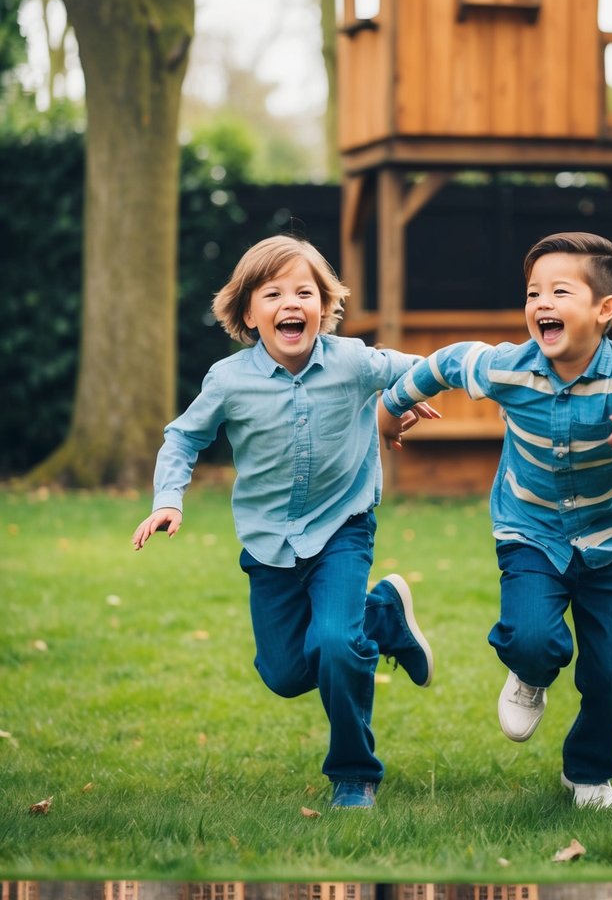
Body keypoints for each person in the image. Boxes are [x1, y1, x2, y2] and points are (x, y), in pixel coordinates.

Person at [381, 231, 612, 810]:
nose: (541, 302)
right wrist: (391, 412)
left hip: (609, 543)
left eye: (559, 291)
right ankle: (530, 673)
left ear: (603, 309)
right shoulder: (509, 367)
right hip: (530, 532)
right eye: (533, 291)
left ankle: (587, 773)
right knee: (533, 638)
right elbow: (446, 362)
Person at [132, 234, 436, 811]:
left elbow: (420, 367)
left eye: (305, 291)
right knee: (286, 672)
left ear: (324, 306)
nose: (290, 303)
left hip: (342, 526)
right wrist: (168, 499)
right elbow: (183, 436)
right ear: (249, 312)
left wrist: (403, 398)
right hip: (269, 543)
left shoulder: (352, 361)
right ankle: (385, 616)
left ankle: (354, 773)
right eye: (273, 293)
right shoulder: (227, 380)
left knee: (335, 646)